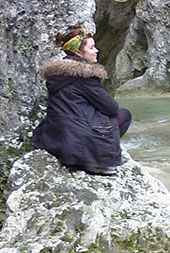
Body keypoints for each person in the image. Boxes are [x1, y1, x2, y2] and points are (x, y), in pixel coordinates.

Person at [32, 27, 132, 176]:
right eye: (91, 48)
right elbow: (111, 108)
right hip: (81, 144)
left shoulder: (56, 75)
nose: (96, 50)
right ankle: (97, 158)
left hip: (56, 140)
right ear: (79, 53)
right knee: (123, 114)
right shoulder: (86, 76)